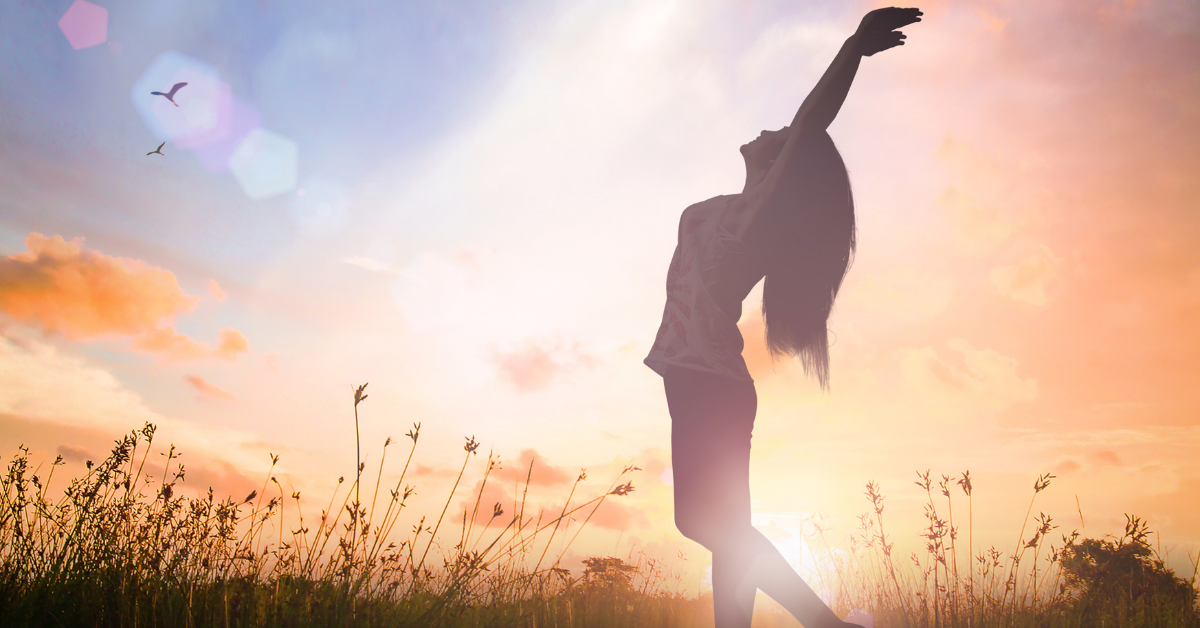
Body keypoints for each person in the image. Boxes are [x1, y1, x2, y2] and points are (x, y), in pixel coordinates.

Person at [644, 7, 922, 628]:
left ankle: (825, 624)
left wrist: (852, 48)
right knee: (726, 532)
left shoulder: (752, 221)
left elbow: (810, 121)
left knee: (703, 522)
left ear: (783, 167)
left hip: (709, 382)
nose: (772, 131)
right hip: (698, 381)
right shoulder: (733, 209)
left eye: (782, 136)